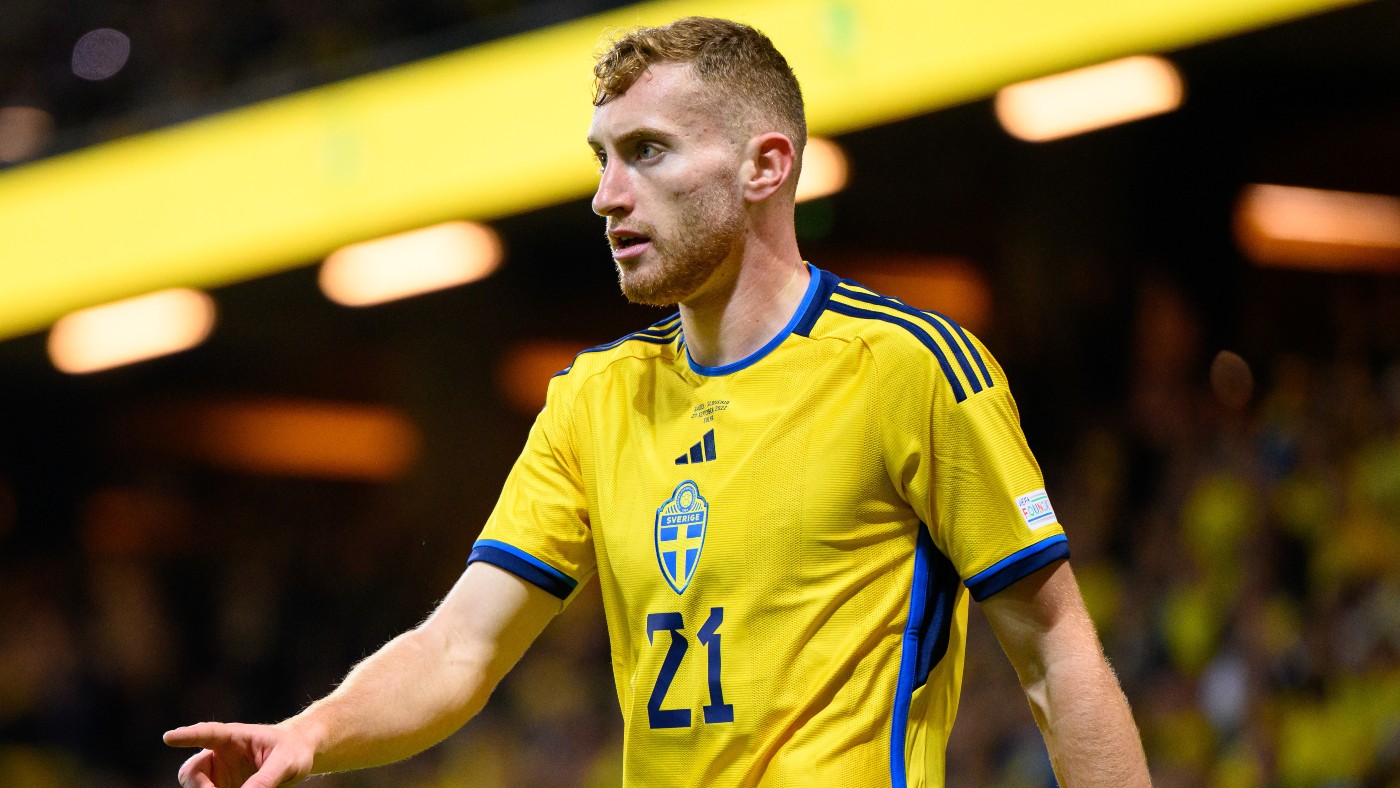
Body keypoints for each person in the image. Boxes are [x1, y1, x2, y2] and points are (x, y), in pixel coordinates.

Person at [165, 16, 1150, 787]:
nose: (607, 194)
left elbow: (1054, 649)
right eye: (601, 156)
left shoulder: (907, 367)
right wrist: (314, 731)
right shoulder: (592, 398)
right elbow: (460, 647)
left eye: (646, 151)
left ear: (766, 165)